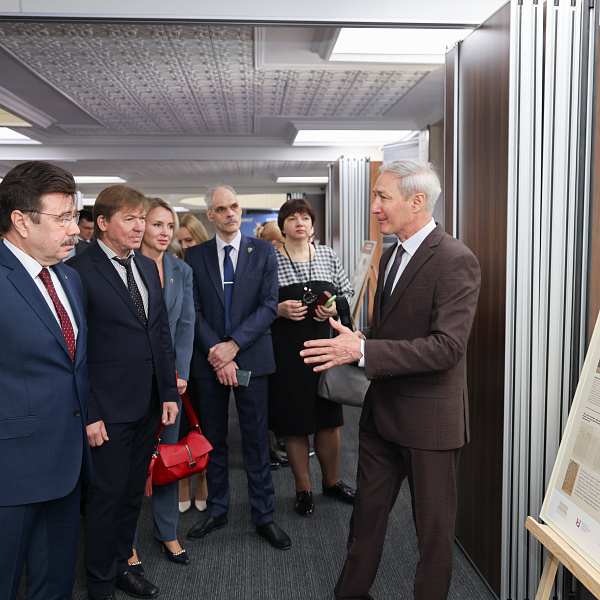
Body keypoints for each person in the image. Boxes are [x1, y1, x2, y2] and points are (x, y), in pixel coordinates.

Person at [301, 159, 481, 600]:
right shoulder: (393, 254)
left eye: (383, 197)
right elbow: (396, 332)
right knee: (364, 521)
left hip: (430, 424)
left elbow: (446, 348)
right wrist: (362, 338)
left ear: (417, 202)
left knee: (432, 537)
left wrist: (363, 352)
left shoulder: (456, 260)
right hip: (381, 415)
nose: (375, 207)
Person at [67, 185, 179, 600]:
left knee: (132, 494)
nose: (139, 227)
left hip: (148, 402)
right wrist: (91, 412)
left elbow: (160, 333)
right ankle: (99, 584)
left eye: (142, 218)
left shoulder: (147, 266)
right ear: (102, 223)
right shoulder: (77, 270)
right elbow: (75, 350)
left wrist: (169, 392)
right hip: (107, 409)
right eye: (129, 219)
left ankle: (119, 567)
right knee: (105, 498)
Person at [0, 161, 92, 600]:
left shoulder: (68, 278)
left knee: (54, 586)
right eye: (63, 218)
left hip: (66, 464)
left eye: (74, 216)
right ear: (21, 221)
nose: (74, 229)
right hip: (11, 471)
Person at [184, 185, 291, 551]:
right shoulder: (194, 255)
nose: (230, 213)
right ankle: (217, 510)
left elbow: (268, 305)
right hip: (209, 361)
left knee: (256, 440)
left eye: (234, 206)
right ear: (210, 216)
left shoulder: (263, 251)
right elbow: (193, 310)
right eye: (221, 209)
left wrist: (233, 347)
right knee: (213, 439)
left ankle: (264, 515)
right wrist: (218, 351)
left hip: (252, 357)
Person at [268, 198, 355, 517]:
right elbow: (254, 303)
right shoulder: (270, 258)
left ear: (312, 225)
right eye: (292, 218)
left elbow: (347, 293)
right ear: (282, 227)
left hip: (325, 350)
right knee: (294, 424)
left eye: (305, 218)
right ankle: (303, 490)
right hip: (286, 353)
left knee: (329, 420)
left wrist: (334, 309)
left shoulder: (328, 255)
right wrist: (277, 309)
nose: (299, 223)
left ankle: (331, 482)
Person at [125, 198, 195, 573]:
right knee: (132, 464)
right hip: (132, 381)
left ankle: (167, 531)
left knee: (167, 459)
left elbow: (185, 325)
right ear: (140, 227)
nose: (165, 232)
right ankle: (127, 541)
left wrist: (179, 374)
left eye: (170, 226)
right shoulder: (125, 266)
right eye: (157, 225)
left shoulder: (181, 270)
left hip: (170, 383)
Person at [176, 212, 210, 513]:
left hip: (206, 354)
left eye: (190, 240)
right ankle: (182, 479)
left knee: (203, 423)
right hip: (178, 356)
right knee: (180, 424)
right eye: (180, 241)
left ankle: (202, 476)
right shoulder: (170, 267)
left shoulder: (210, 265)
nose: (185, 246)